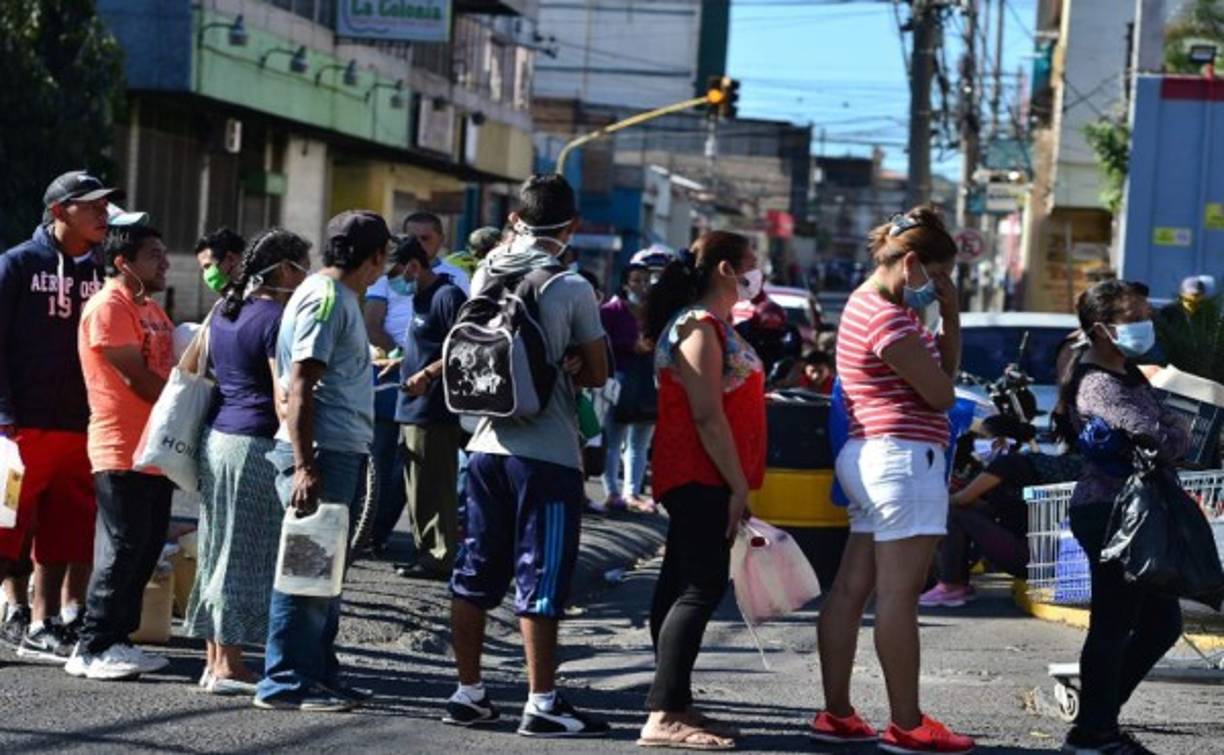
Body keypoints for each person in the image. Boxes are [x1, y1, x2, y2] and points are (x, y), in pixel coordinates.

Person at [444, 174, 610, 737]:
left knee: (473, 573)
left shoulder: (487, 272)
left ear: (517, 218)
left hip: (483, 446)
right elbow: (598, 371)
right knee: (541, 580)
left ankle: (468, 693)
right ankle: (541, 703)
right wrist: (573, 360)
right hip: (547, 454)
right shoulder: (571, 284)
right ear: (572, 225)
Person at [812, 207, 975, 754]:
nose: (942, 285)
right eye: (939, 274)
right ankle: (907, 724)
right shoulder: (890, 319)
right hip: (903, 460)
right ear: (911, 264)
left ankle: (837, 713)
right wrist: (945, 319)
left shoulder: (868, 306)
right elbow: (943, 393)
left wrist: (949, 317)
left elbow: (940, 375)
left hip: (870, 456)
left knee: (851, 588)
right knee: (899, 597)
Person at [635, 231, 767, 750]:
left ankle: (675, 702)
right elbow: (707, 414)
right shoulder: (697, 326)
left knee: (679, 585)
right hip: (698, 472)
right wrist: (737, 484)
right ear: (726, 270)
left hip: (706, 472)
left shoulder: (712, 324)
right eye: (751, 263)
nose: (757, 273)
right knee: (700, 586)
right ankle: (664, 713)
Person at [255, 211, 390, 712]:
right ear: (375, 257)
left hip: (336, 451)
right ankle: (285, 683)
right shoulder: (327, 298)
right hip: (322, 454)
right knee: (306, 574)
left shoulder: (335, 295)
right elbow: (301, 385)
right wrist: (305, 465)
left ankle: (318, 675)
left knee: (324, 577)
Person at [1058, 280, 1187, 755]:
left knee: (1161, 623)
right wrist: (1175, 432)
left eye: (1146, 315)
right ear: (1102, 329)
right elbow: (1158, 436)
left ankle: (1098, 718)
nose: (1144, 324)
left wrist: (1172, 431)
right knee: (1113, 624)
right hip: (1112, 513)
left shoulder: (1129, 374)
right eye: (1133, 318)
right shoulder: (1099, 383)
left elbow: (1165, 432)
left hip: (1139, 512)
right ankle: (1094, 732)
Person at [186, 229, 311, 695]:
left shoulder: (226, 309)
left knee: (216, 549)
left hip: (217, 438)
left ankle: (213, 659)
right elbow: (284, 396)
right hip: (254, 445)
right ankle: (229, 667)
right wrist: (303, 454)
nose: (307, 276)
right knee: (243, 556)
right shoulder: (277, 318)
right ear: (285, 269)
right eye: (303, 266)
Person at [0, 171, 117, 661]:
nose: (102, 213)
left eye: (105, 205)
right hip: (20, 423)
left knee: (64, 530)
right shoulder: (18, 264)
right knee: (7, 524)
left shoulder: (106, 271)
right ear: (58, 211)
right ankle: (12, 609)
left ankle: (44, 621)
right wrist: (3, 414)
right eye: (90, 205)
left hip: (81, 423)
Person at [65, 224, 175, 681]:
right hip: (120, 447)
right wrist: (187, 403)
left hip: (155, 448)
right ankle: (91, 647)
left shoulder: (150, 308)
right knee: (122, 548)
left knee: (145, 548)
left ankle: (118, 639)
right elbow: (138, 379)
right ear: (123, 263)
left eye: (163, 253)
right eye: (154, 255)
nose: (164, 263)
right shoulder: (109, 305)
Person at [390, 236, 467, 579]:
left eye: (395, 273)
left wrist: (427, 374)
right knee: (417, 488)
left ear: (413, 266)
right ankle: (426, 554)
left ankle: (439, 557)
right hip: (410, 406)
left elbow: (464, 347)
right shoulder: (420, 298)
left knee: (434, 487)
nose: (393, 282)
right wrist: (400, 363)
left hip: (433, 410)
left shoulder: (447, 296)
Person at [920, 414, 1036, 608]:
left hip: (1024, 554)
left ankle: (952, 585)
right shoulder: (1020, 462)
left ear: (999, 442)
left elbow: (962, 499)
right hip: (1028, 552)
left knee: (955, 514)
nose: (976, 442)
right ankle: (954, 581)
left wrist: (936, 498)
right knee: (964, 513)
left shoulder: (1005, 463)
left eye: (982, 437)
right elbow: (986, 508)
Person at [599, 251, 665, 512]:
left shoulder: (654, 312)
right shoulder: (611, 311)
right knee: (613, 438)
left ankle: (633, 493)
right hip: (619, 380)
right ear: (626, 284)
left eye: (646, 280)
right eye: (637, 280)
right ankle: (611, 492)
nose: (642, 286)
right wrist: (629, 345)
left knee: (640, 440)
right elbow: (600, 342)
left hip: (648, 380)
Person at [402, 211, 471, 295]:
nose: (418, 243)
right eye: (412, 238)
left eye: (425, 238)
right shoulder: (391, 275)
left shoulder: (456, 277)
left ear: (441, 239)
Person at [195, 228, 247, 295]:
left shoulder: (258, 293)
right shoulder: (226, 300)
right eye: (203, 270)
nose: (206, 276)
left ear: (231, 258)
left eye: (208, 266)